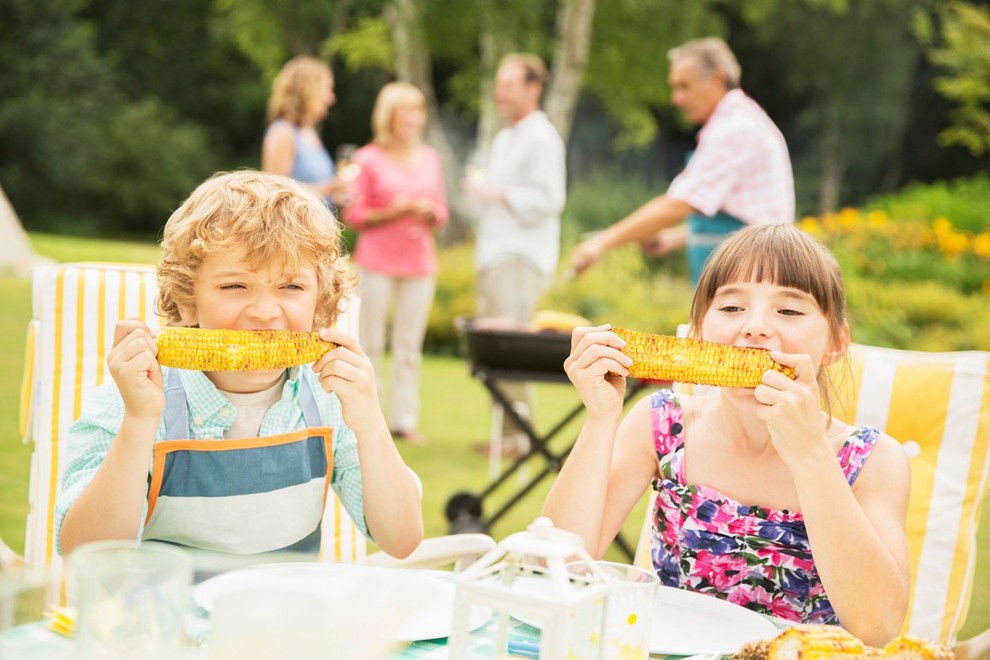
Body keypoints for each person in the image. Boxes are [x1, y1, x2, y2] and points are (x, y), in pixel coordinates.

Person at [544, 224, 910, 646]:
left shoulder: (873, 460)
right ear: (699, 330)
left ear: (836, 343)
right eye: (732, 307)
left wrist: (810, 454)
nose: (755, 327)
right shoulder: (663, 424)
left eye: (788, 311)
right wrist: (600, 419)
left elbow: (878, 626)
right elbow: (557, 565)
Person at [55, 170, 424, 559]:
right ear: (187, 300)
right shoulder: (135, 400)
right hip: (165, 614)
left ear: (321, 302)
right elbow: (85, 554)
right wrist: (138, 422)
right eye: (234, 286)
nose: (265, 312)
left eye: (291, 287)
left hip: (284, 617)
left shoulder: (329, 399)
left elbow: (402, 540)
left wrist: (369, 421)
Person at [570, 37, 794, 286]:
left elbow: (678, 205)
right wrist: (674, 238)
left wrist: (602, 241)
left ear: (718, 79)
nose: (676, 99)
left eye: (684, 86)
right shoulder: (737, 120)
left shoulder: (734, 129)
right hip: (744, 269)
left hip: (750, 275)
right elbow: (738, 215)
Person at [462, 52, 567, 454]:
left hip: (521, 256)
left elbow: (549, 200)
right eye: (499, 86)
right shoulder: (505, 137)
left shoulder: (543, 138)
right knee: (495, 349)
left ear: (533, 87)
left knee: (510, 346)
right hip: (493, 253)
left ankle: (517, 437)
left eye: (508, 86)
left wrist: (497, 193)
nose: (499, 94)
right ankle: (505, 435)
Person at [343, 82, 449, 446]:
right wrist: (396, 210)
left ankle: (404, 421)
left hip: (420, 264)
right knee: (370, 342)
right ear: (388, 116)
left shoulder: (430, 158)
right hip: (376, 261)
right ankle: (367, 418)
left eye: (418, 110)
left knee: (408, 348)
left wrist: (430, 212)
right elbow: (355, 214)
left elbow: (442, 211)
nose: (413, 118)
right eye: (405, 110)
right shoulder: (367, 159)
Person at [262, 55, 352, 210]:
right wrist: (328, 188)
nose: (331, 98)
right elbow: (274, 192)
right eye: (327, 89)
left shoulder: (309, 132)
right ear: (307, 90)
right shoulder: (282, 132)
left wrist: (334, 196)